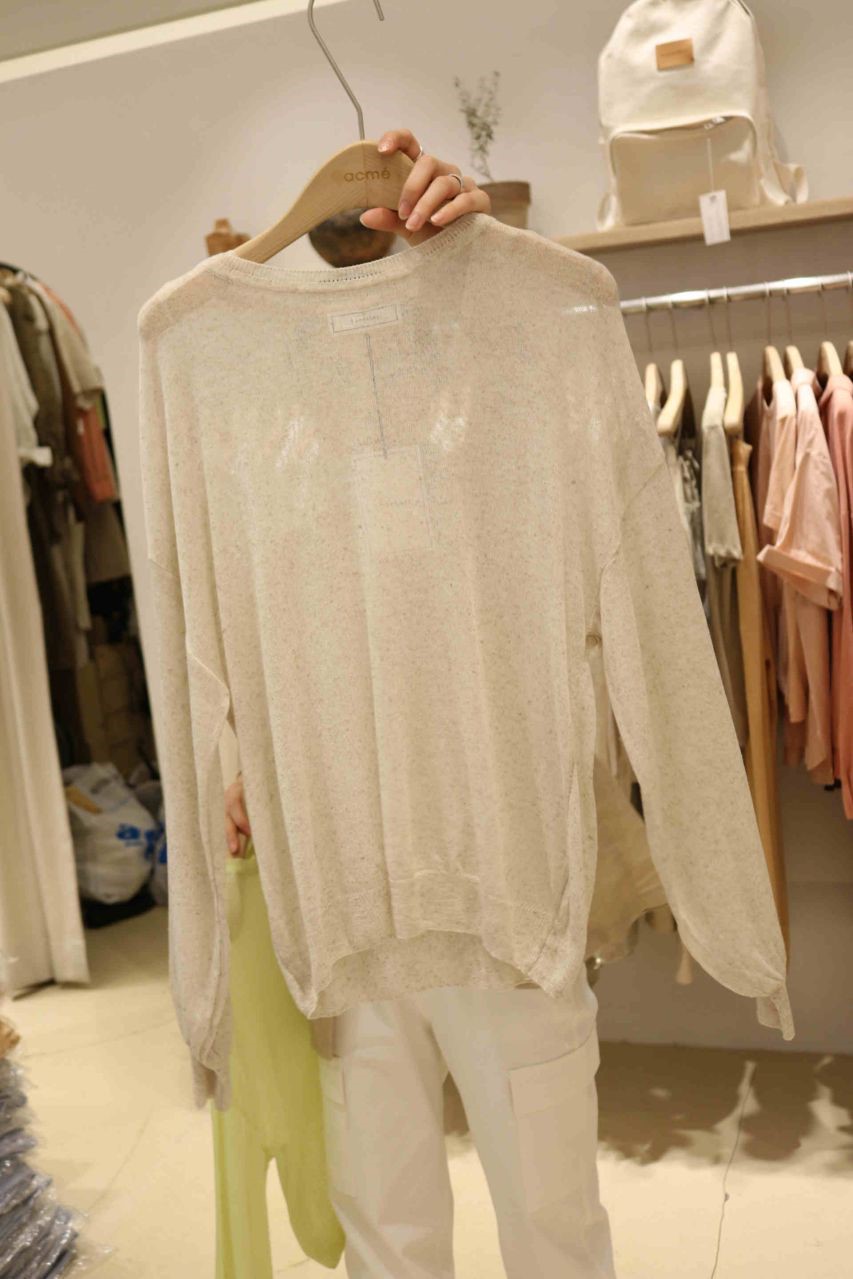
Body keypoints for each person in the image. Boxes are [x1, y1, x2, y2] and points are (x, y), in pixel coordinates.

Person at [222, 127, 617, 1279]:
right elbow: (258, 618)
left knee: (550, 1221)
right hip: (346, 878)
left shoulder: (507, 376)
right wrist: (240, 756)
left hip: (504, 875)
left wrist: (482, 261)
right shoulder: (271, 418)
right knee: (385, 1233)